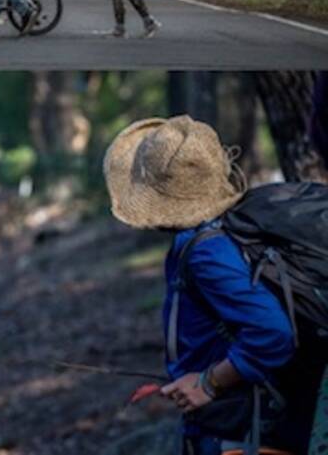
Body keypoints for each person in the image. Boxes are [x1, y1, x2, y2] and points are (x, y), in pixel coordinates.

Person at [104, 116, 316, 455]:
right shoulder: (208, 236)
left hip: (243, 431)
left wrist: (208, 382)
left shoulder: (207, 252)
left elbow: (273, 333)